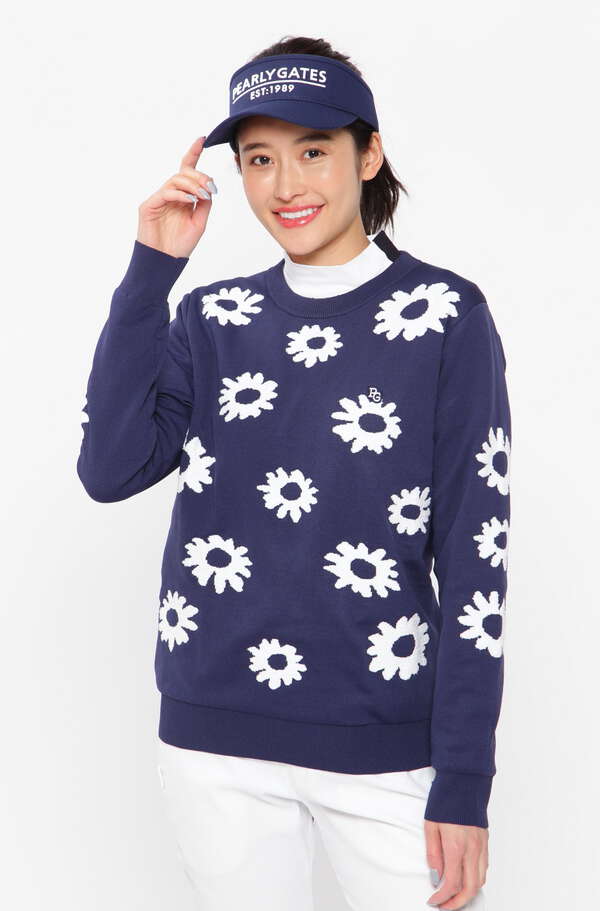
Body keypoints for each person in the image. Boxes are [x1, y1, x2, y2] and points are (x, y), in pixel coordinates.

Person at [77, 35, 511, 911]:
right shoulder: (214, 316)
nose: (285, 185)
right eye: (259, 158)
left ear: (369, 154)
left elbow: (477, 558)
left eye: (313, 151)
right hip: (214, 743)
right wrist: (152, 272)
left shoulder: (444, 316)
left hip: (383, 745)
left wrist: (464, 776)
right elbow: (109, 468)